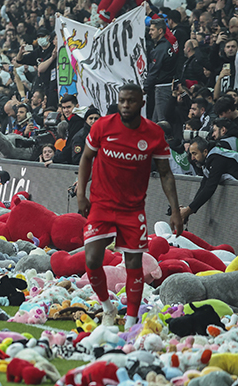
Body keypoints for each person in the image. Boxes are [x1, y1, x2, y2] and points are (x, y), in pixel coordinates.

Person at [76, 83, 183, 329]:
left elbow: (166, 174)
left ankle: (132, 320)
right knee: (92, 260)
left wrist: (176, 210)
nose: (125, 105)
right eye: (122, 100)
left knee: (134, 263)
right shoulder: (103, 126)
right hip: (101, 205)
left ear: (141, 103)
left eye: (131, 101)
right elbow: (86, 157)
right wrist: (81, 193)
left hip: (132, 209)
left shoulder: (153, 134)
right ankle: (107, 307)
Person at [180, 137, 238, 222]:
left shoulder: (217, 158)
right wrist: (189, 210)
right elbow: (203, 186)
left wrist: (189, 210)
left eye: (194, 154)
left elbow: (210, 187)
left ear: (205, 152)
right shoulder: (209, 159)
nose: (192, 158)